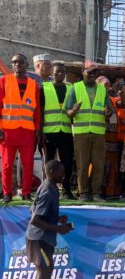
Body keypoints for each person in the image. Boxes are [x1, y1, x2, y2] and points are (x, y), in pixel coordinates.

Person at [65, 60, 113, 202]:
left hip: (98, 133)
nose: (93, 74)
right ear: (83, 72)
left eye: (96, 72)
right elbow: (68, 112)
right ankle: (84, 193)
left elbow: (109, 111)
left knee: (98, 164)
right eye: (90, 71)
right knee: (82, 164)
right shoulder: (75, 88)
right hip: (81, 133)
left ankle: (96, 193)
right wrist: (73, 110)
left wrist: (108, 113)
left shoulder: (102, 89)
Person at [26, 160, 73, 279]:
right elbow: (35, 220)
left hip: (40, 238)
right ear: (52, 172)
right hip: (39, 239)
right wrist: (58, 228)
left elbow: (33, 210)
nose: (64, 175)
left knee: (47, 269)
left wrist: (56, 218)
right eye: (61, 173)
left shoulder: (48, 185)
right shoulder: (48, 190)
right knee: (45, 271)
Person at [0, 54, 41, 203]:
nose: (17, 65)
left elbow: (36, 111)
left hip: (27, 132)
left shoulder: (33, 85)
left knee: (28, 165)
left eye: (20, 62)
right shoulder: (4, 81)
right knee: (6, 166)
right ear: (12, 66)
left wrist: (37, 131)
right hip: (7, 132)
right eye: (14, 62)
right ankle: (7, 193)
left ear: (26, 65)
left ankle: (26, 193)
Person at [41, 62, 75, 200]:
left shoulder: (70, 88)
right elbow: (41, 111)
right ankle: (49, 190)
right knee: (49, 162)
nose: (60, 74)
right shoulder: (44, 87)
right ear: (51, 73)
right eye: (57, 72)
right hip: (49, 131)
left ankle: (66, 190)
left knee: (67, 162)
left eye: (62, 72)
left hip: (66, 131)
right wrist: (41, 131)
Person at [97, 76, 122, 198]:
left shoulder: (111, 99)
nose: (107, 87)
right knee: (101, 162)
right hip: (102, 134)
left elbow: (121, 104)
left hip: (113, 136)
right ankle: (99, 191)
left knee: (112, 163)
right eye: (104, 85)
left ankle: (111, 191)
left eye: (108, 85)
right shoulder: (97, 99)